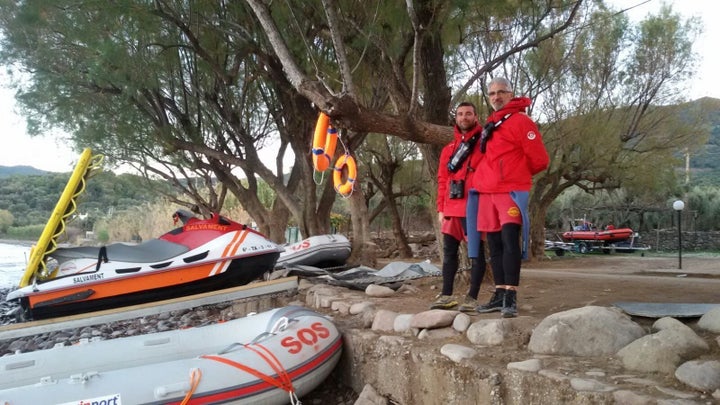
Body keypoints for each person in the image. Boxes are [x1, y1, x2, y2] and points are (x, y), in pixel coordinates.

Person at [471, 77, 549, 318]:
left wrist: (514, 175)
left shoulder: (521, 121)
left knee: (509, 241)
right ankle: (499, 293)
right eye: (492, 93)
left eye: (501, 92)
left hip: (510, 191)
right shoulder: (491, 123)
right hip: (487, 192)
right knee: (494, 244)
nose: (496, 97)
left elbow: (540, 159)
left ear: (511, 93)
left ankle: (511, 296)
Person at [432, 101, 487, 312]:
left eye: (468, 114)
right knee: (449, 252)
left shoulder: (484, 144)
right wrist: (441, 208)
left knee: (476, 253)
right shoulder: (449, 150)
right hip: (451, 208)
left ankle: (472, 298)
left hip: (473, 207)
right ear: (456, 118)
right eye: (460, 114)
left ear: (475, 116)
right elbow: (442, 180)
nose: (464, 117)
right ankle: (446, 295)